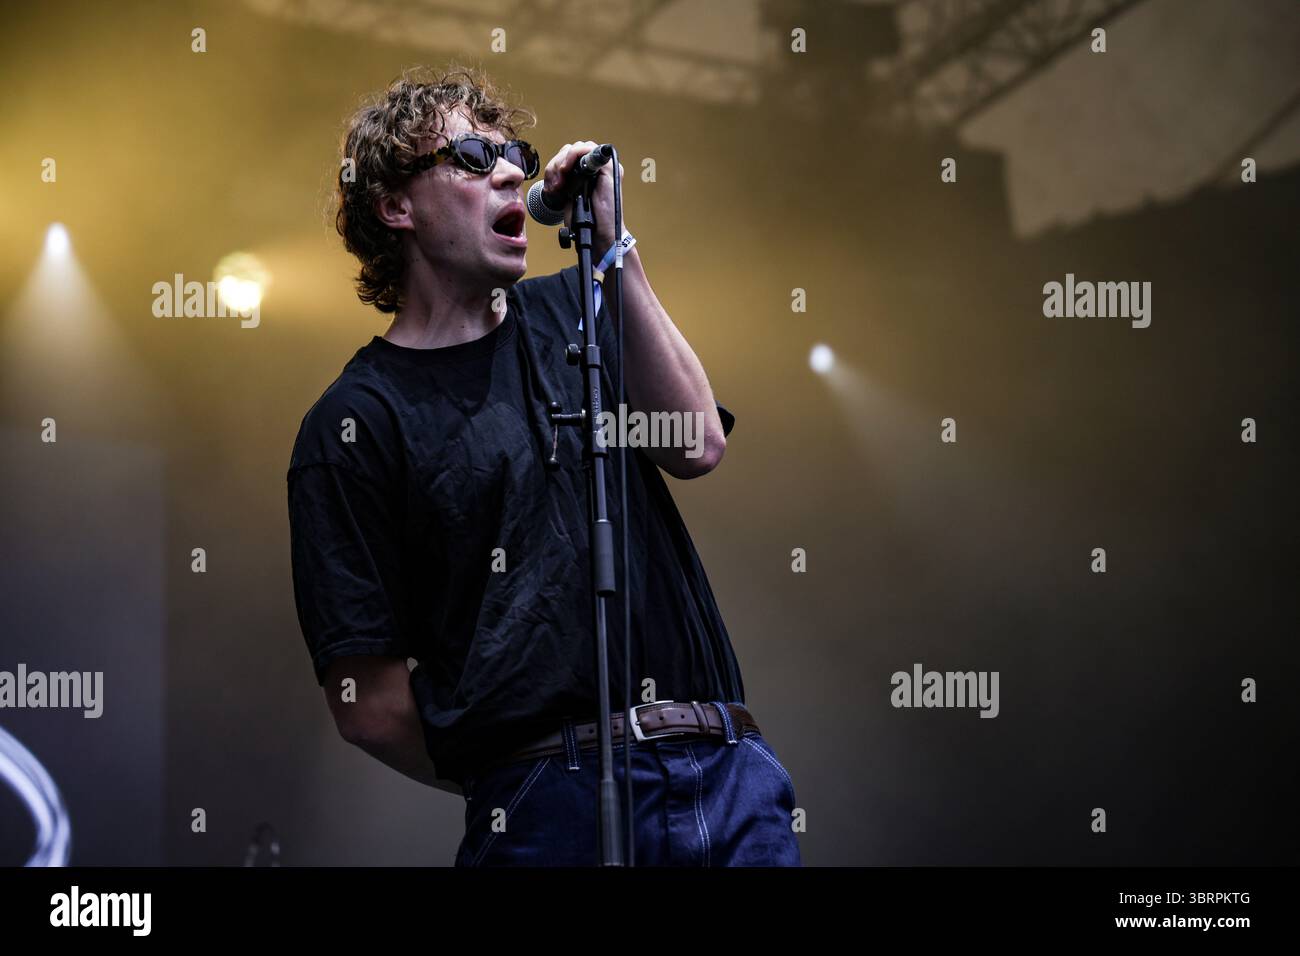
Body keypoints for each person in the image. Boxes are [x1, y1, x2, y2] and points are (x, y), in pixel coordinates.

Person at [286, 65, 800, 866]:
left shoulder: (576, 306)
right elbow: (367, 702)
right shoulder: (355, 424)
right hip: (543, 802)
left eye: (514, 155)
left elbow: (695, 443)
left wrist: (614, 249)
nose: (510, 172)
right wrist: (513, 777)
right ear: (394, 206)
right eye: (469, 157)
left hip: (725, 771)